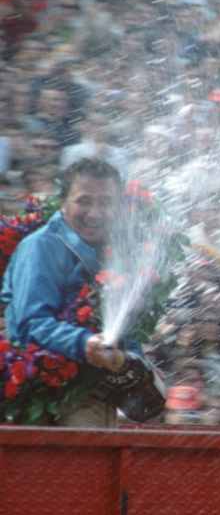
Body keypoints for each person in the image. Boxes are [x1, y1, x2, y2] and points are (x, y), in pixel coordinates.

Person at [1, 158, 128, 427]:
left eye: (105, 203)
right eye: (84, 201)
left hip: (94, 389)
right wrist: (84, 343)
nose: (95, 213)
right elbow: (30, 324)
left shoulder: (118, 251)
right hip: (41, 395)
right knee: (82, 462)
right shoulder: (40, 247)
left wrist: (134, 361)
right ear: (63, 202)